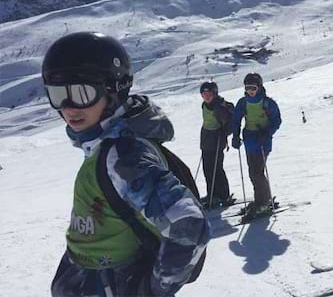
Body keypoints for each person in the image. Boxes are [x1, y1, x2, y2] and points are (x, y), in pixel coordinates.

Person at [44, 32, 209, 297]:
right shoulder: (103, 144)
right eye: (57, 94)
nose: (69, 107)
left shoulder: (122, 154)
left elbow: (188, 224)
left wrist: (152, 290)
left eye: (80, 93)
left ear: (113, 90)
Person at [231, 73, 282, 220]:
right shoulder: (243, 102)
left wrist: (266, 133)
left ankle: (263, 202)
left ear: (259, 87)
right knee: (253, 172)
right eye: (247, 88)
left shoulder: (267, 103)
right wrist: (235, 135)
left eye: (253, 88)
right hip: (249, 141)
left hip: (263, 142)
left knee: (256, 172)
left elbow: (277, 121)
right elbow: (236, 119)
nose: (250, 91)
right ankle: (261, 199)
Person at [199, 80, 235, 208]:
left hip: (217, 140)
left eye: (208, 94)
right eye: (203, 94)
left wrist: (224, 132)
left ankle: (224, 195)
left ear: (214, 93)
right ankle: (213, 195)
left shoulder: (219, 106)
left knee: (217, 169)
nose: (206, 96)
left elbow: (231, 122)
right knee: (207, 169)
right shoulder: (205, 105)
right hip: (206, 140)